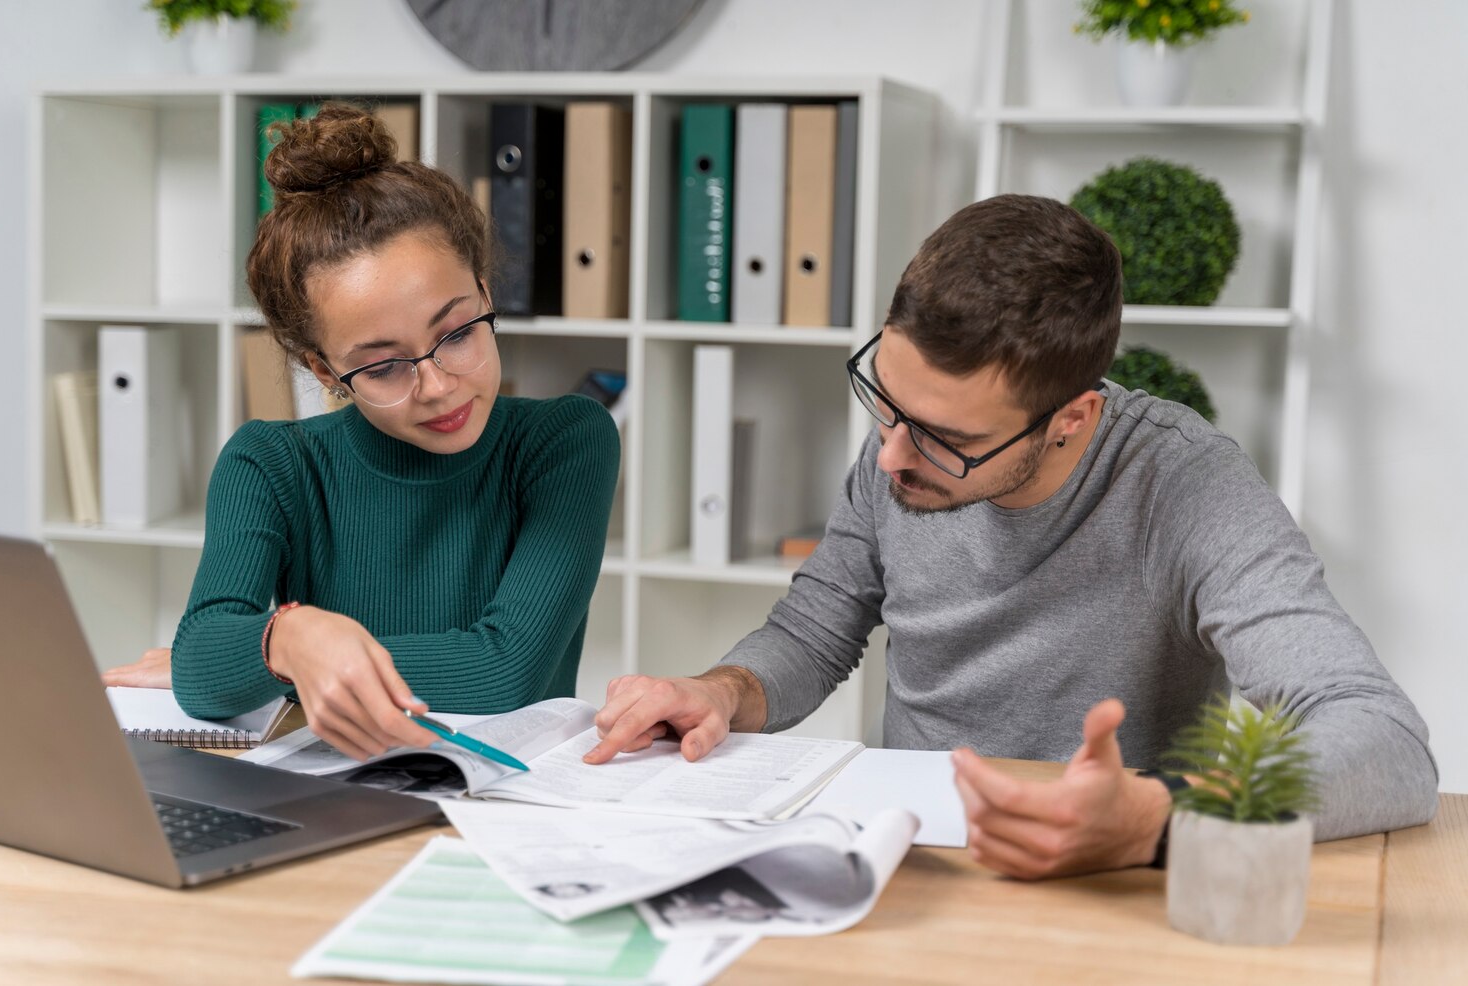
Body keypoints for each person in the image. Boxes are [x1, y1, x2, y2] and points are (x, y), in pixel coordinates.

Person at [584, 194, 1438, 879]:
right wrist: (723, 691)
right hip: (907, 860)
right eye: (882, 400)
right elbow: (815, 629)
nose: (888, 455)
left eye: (944, 438)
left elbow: (1383, 742)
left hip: (1105, 882)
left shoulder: (1188, 485)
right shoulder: (912, 431)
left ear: (1072, 418)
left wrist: (1160, 818)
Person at [103, 104, 619, 762]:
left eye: (458, 332)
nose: (437, 385)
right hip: (332, 790)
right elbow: (205, 660)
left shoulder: (565, 442)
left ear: (486, 294)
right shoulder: (271, 464)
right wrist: (282, 643)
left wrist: (277, 652)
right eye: (382, 365)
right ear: (325, 370)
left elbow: (502, 670)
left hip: (506, 805)